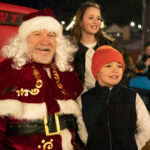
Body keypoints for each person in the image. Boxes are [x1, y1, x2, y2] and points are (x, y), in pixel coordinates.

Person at [0, 9, 87, 150]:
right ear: (23, 40)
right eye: (37, 34)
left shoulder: (67, 72)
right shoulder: (5, 72)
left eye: (51, 35)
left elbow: (87, 118)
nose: (45, 41)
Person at [81, 45, 150, 150]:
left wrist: (134, 146)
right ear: (96, 71)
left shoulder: (131, 97)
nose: (115, 70)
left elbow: (146, 127)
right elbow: (82, 128)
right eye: (108, 66)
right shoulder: (85, 99)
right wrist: (91, 144)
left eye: (119, 66)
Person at [70, 1, 131, 89]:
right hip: (80, 99)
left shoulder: (111, 45)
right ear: (80, 21)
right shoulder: (70, 49)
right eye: (91, 18)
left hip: (108, 98)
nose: (96, 22)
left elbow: (124, 73)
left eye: (98, 18)